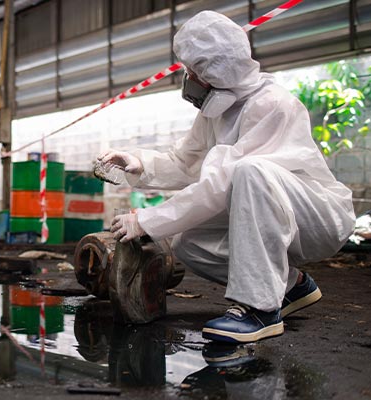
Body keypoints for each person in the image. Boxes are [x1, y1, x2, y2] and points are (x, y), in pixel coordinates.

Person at [99, 11, 355, 343]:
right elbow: (188, 160)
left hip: (316, 216)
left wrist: (149, 220)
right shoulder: (217, 108)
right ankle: (293, 286)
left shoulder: (272, 105)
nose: (188, 78)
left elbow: (220, 183)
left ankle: (259, 309)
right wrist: (139, 163)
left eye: (193, 71)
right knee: (189, 243)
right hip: (266, 204)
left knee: (249, 171)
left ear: (217, 70)